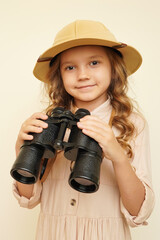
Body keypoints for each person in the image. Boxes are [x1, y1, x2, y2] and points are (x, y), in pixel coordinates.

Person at [12, 20, 155, 240]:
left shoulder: (131, 124)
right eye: (70, 67)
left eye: (94, 63)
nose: (82, 75)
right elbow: (28, 198)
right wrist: (22, 150)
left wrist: (117, 156)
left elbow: (138, 211)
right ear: (59, 75)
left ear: (113, 68)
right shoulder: (49, 122)